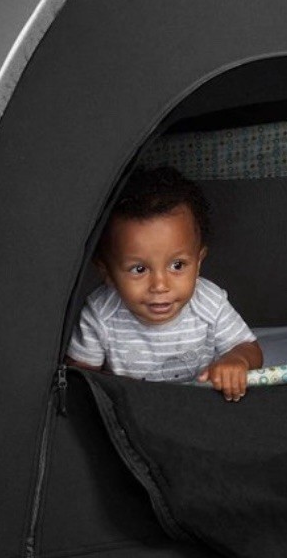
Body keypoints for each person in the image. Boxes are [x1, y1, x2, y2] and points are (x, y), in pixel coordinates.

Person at [65, 165, 263, 400]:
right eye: (139, 269)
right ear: (106, 272)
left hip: (201, 404)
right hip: (133, 410)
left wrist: (237, 360)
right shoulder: (100, 314)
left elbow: (250, 349)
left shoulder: (210, 303)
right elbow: (80, 374)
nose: (160, 285)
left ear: (198, 262)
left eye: (177, 265)